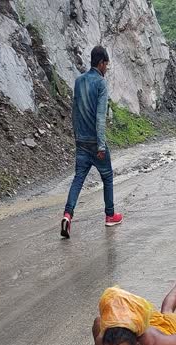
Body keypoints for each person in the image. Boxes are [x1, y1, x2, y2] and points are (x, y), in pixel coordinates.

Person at [61, 46, 123, 238]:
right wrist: (101, 145)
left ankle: (67, 215)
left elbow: (74, 112)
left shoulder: (79, 81)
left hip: (81, 141)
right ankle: (110, 215)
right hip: (95, 143)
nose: (106, 69)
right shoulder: (101, 84)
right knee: (107, 177)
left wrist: (77, 137)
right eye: (106, 65)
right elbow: (100, 117)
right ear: (101, 63)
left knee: (78, 179)